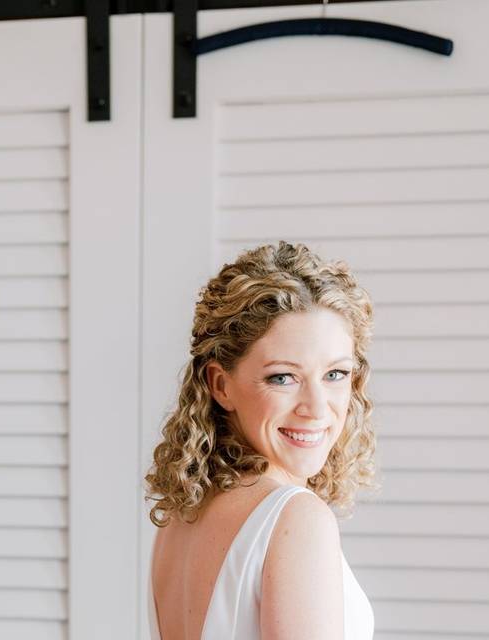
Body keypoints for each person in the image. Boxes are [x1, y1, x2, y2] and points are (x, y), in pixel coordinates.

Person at [146, 242, 376, 640]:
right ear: (221, 385)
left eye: (335, 374)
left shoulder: (183, 516)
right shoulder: (296, 518)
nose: (317, 408)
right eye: (283, 377)